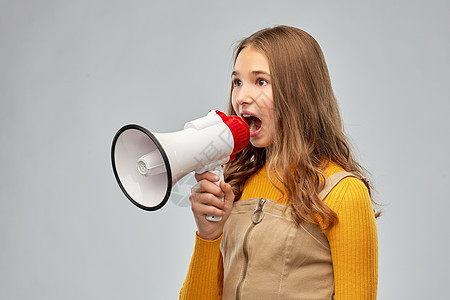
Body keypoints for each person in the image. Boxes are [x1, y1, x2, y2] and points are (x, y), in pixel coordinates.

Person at [179, 25, 379, 299]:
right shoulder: (237, 184)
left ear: (299, 93)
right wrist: (208, 235)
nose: (241, 98)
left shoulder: (343, 193)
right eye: (237, 82)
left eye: (261, 81)